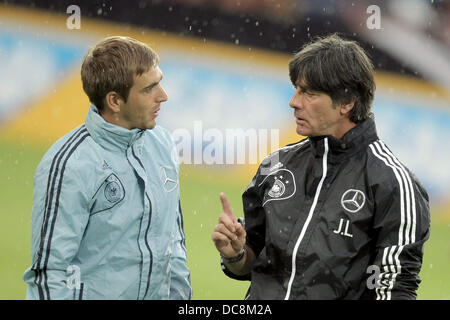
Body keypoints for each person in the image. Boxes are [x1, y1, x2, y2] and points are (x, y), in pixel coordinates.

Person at [211, 34, 430, 300]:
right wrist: (234, 254)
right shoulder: (277, 165)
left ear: (347, 102)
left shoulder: (392, 183)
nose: (294, 101)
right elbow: (251, 263)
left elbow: (396, 289)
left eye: (309, 93)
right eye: (296, 89)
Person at [23, 36, 192, 300]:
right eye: (150, 88)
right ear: (114, 101)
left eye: (160, 82)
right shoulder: (70, 163)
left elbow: (174, 245)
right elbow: (50, 274)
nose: (164, 96)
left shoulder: (163, 145)